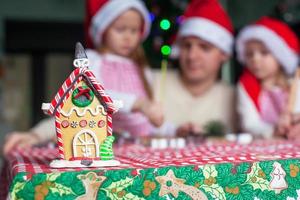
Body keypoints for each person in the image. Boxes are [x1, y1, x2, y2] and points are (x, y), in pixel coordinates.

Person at [3, 0, 164, 155]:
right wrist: (138, 103)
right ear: (103, 29)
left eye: (134, 30)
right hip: (103, 146)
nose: (128, 37)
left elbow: (149, 120)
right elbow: (91, 98)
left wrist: (174, 129)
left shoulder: (142, 69)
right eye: (121, 29)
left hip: (141, 150)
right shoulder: (92, 60)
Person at [153, 0, 236, 136]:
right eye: (186, 46)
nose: (192, 56)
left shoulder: (236, 97)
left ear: (224, 54)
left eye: (204, 47)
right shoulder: (152, 81)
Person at [236, 16, 300, 139]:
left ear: (280, 56)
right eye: (249, 54)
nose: (255, 59)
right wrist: (274, 129)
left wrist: (293, 122)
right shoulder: (246, 85)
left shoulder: (295, 84)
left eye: (264, 53)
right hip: (264, 146)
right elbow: (249, 125)